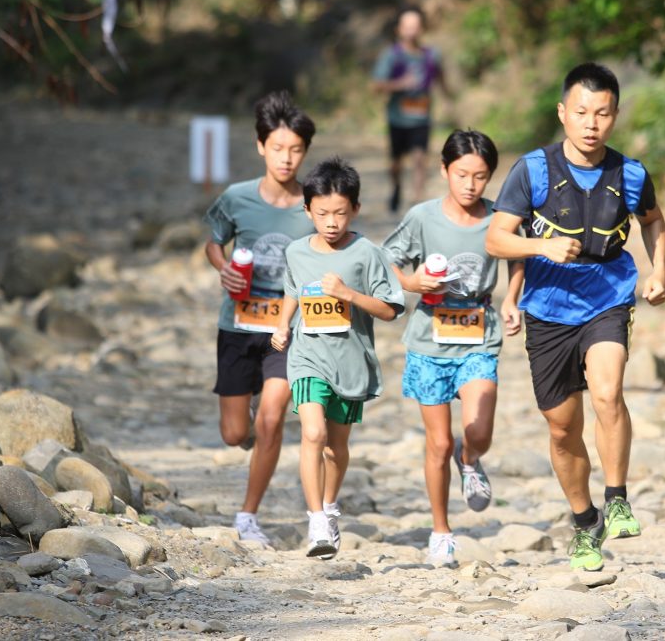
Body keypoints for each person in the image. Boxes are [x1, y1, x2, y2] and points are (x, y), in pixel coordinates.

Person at [485, 63, 665, 572]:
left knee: (608, 392)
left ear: (614, 117)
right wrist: (542, 245)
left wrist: (659, 273)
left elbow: (653, 223)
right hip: (547, 307)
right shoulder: (533, 170)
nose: (592, 123)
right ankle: (585, 522)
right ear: (563, 113)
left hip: (608, 295)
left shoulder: (630, 174)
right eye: (582, 112)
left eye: (602, 113)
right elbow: (496, 238)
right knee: (563, 428)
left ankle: (617, 497)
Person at [383, 129, 524, 566]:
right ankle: (441, 531)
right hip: (428, 338)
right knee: (438, 443)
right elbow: (388, 259)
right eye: (461, 174)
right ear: (444, 170)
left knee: (479, 429)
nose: (470, 184)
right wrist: (411, 282)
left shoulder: (499, 217)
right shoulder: (423, 217)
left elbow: (519, 255)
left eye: (480, 177)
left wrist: (513, 299)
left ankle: (471, 457)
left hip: (478, 332)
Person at [271, 157, 404, 559]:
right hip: (308, 357)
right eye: (322, 213)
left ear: (356, 210)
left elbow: (391, 308)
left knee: (336, 447)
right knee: (313, 434)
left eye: (341, 213)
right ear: (307, 209)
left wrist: (349, 294)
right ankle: (316, 522)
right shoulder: (296, 252)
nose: (331, 222)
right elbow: (292, 292)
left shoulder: (367, 253)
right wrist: (282, 325)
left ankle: (329, 505)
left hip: (351, 362)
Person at [203, 91, 317, 545]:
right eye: (277, 148)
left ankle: (248, 516)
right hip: (238, 325)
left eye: (295, 150)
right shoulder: (236, 198)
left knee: (271, 418)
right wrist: (223, 267)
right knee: (235, 433)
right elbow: (214, 240)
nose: (286, 158)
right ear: (260, 146)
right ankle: (248, 429)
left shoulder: (313, 203)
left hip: (288, 330)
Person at [371, 6, 450, 213]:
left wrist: (448, 97)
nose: (412, 31)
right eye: (407, 26)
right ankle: (396, 186)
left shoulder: (431, 55)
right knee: (396, 162)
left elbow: (440, 77)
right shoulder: (392, 55)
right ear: (399, 29)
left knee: (419, 158)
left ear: (422, 29)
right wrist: (400, 84)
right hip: (397, 119)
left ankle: (417, 201)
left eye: (416, 26)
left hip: (421, 118)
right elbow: (376, 85)